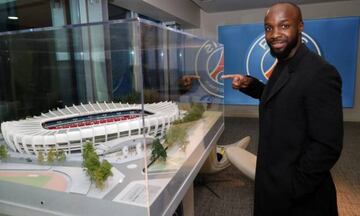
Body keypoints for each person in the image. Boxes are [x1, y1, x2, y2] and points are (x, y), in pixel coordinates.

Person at [222, 2, 343, 216]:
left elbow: (327, 146)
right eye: (269, 28)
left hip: (299, 199)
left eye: (284, 26)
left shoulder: (321, 73)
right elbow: (282, 97)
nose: (275, 34)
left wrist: (293, 188)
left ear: (301, 26)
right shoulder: (285, 62)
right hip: (273, 180)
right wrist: (250, 84)